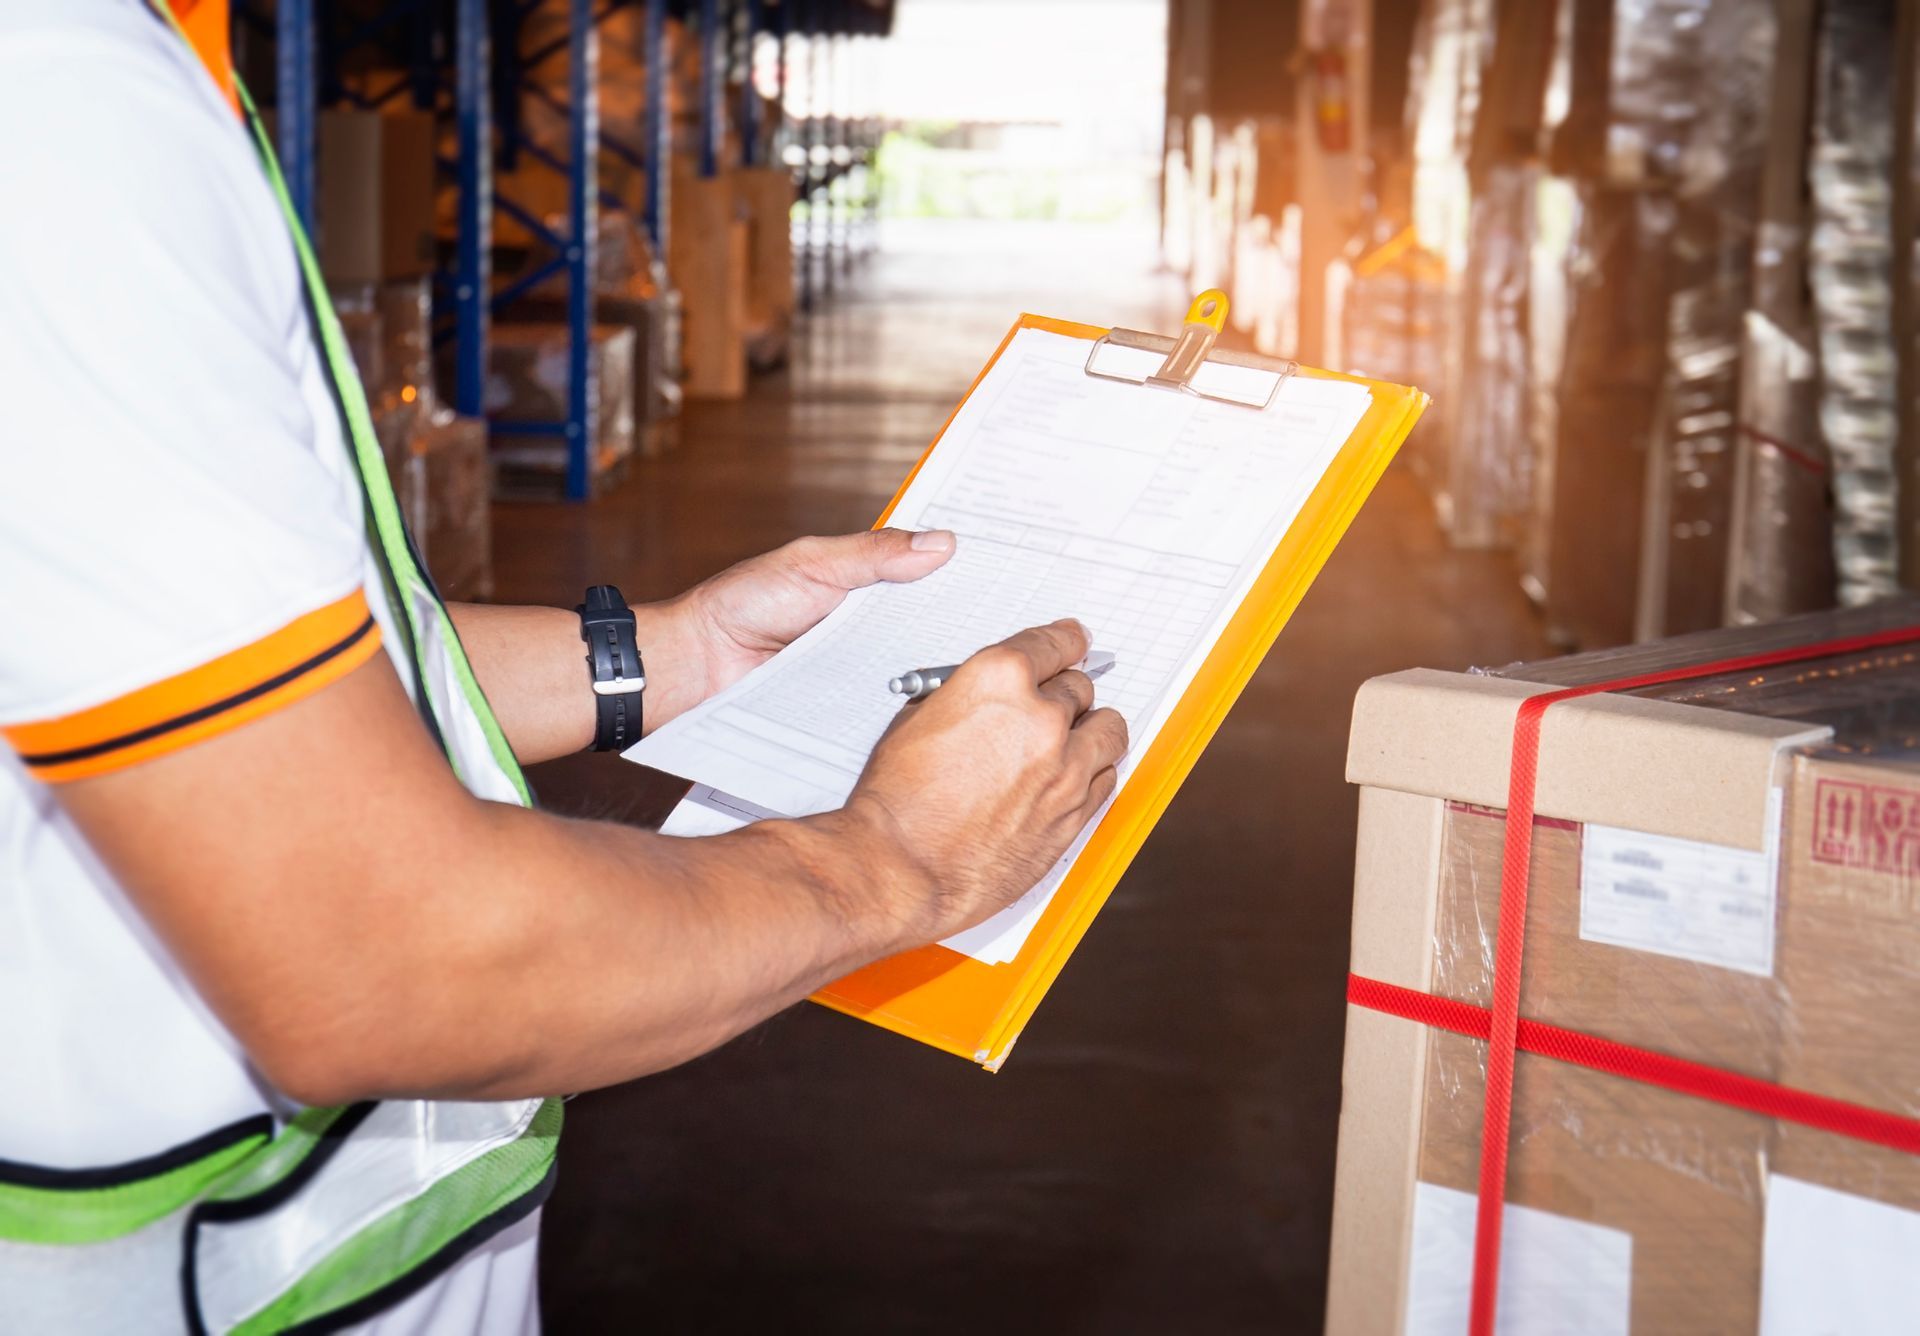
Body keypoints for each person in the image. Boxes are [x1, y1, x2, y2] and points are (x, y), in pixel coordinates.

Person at [0, 2, 1126, 1331]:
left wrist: (682, 652)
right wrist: (894, 862)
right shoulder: (58, 105)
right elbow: (382, 957)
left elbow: (210, 676)